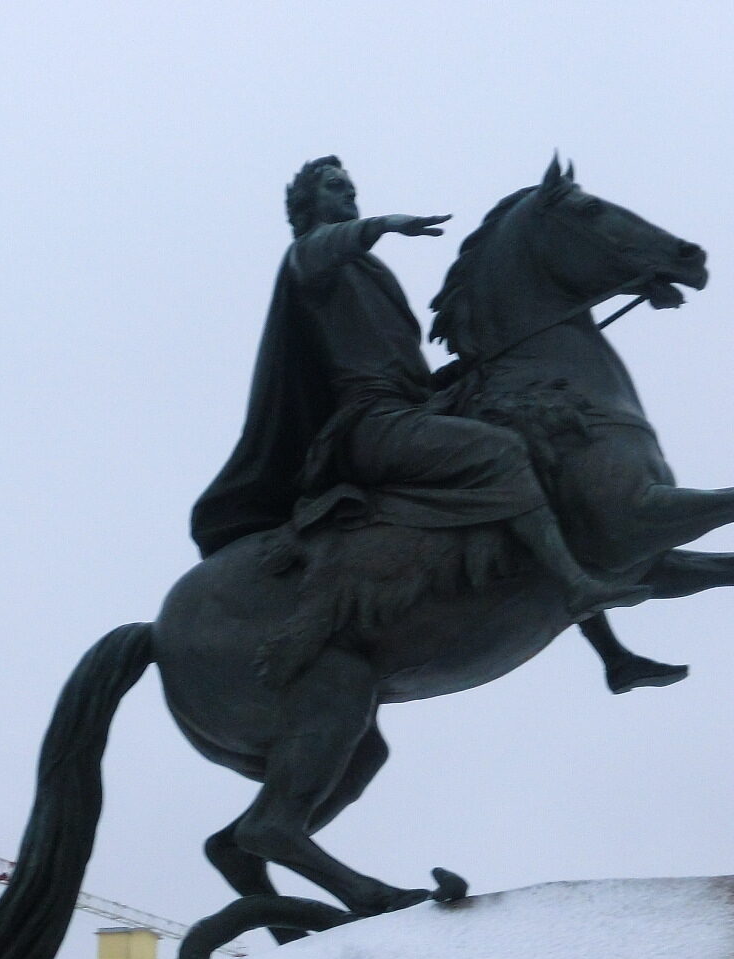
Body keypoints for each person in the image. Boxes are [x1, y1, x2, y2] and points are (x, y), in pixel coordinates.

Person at [191, 156, 647, 623]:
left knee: (542, 451)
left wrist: (454, 376)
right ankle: (574, 585)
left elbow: (397, 367)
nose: (349, 193)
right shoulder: (310, 257)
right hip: (370, 424)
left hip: (407, 411)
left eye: (350, 186)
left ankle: (611, 650)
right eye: (334, 186)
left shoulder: (367, 271)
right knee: (501, 451)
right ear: (308, 205)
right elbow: (324, 252)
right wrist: (386, 224)